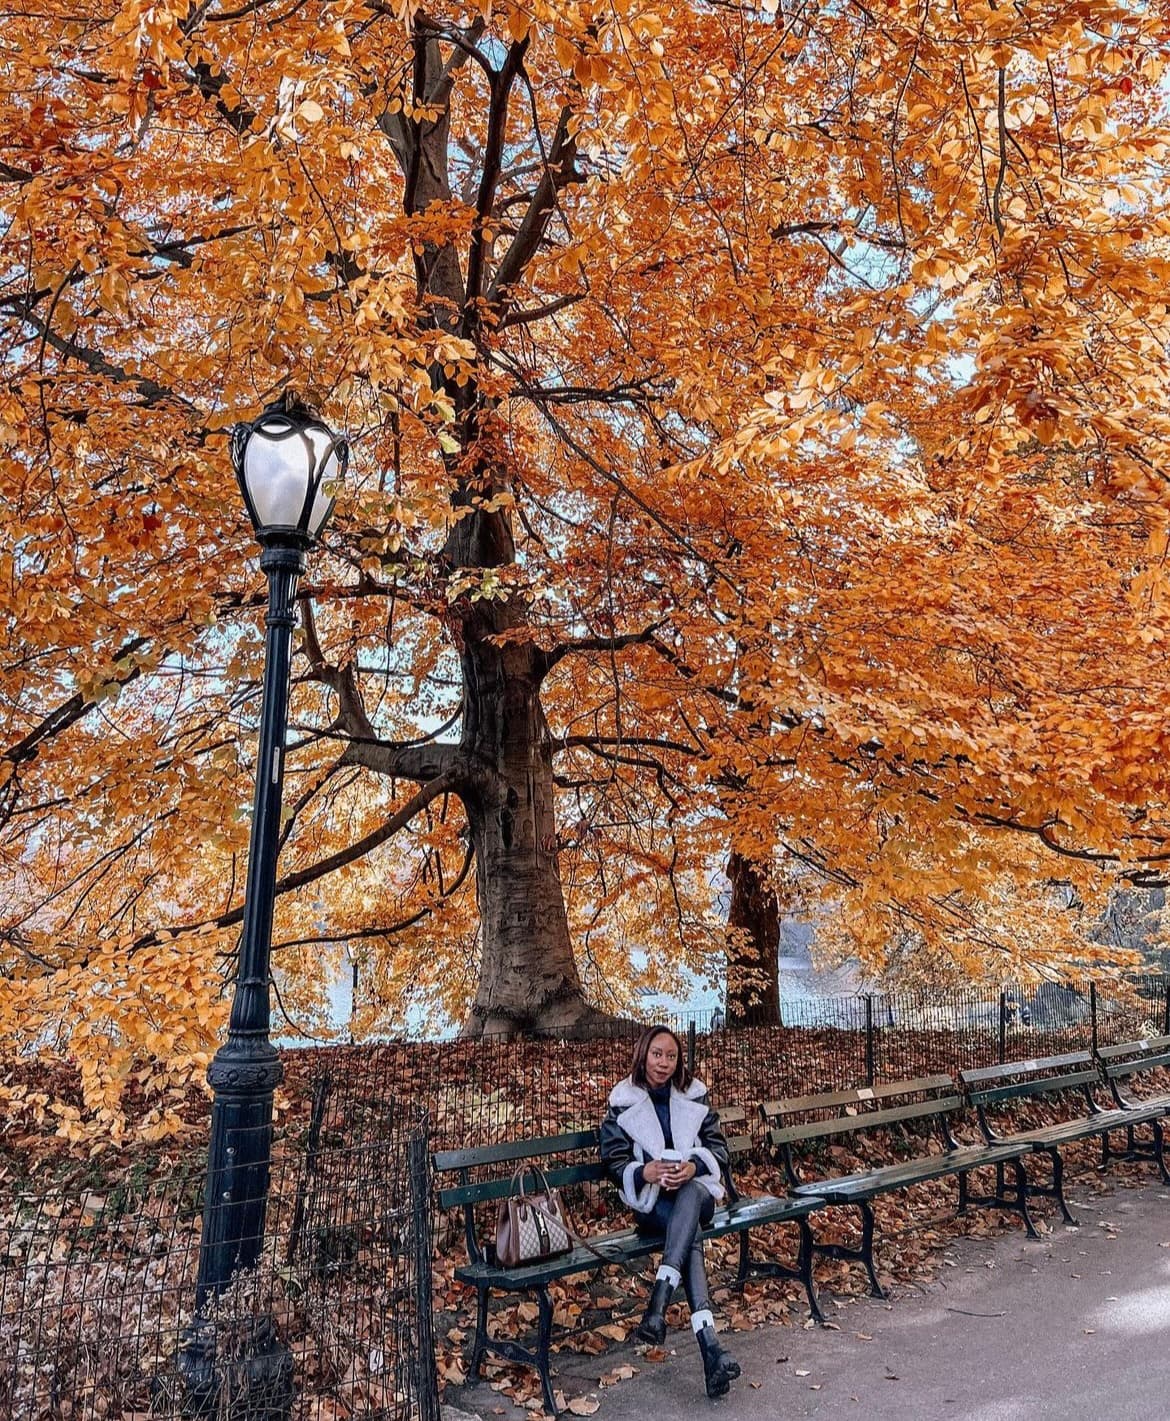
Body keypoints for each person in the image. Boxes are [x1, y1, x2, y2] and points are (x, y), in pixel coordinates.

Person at [599, 1024, 741, 1398]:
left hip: (697, 1194)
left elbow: (718, 1148)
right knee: (688, 1234)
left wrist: (694, 1165)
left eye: (671, 1056)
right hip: (653, 1203)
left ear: (679, 1061)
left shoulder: (692, 1096)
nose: (663, 1063)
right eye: (657, 1054)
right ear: (643, 1054)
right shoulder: (623, 1101)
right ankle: (710, 1350)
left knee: (692, 1194)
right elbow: (613, 1160)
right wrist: (644, 1171)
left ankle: (660, 1300)